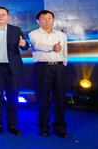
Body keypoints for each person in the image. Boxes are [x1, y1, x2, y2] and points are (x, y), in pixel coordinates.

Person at [0, 6, 30, 136]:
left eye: (4, 14)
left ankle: (12, 125)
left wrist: (24, 44)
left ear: (8, 17)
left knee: (13, 98)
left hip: (13, 68)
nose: (1, 16)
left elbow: (25, 47)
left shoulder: (15, 30)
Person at [28, 10, 69, 138]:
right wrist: (52, 47)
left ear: (53, 20)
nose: (47, 21)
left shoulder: (62, 35)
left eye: (49, 18)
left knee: (60, 98)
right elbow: (37, 45)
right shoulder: (33, 34)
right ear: (38, 21)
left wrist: (63, 64)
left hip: (59, 68)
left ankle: (59, 128)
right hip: (42, 68)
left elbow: (65, 52)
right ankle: (44, 127)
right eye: (44, 18)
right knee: (42, 98)